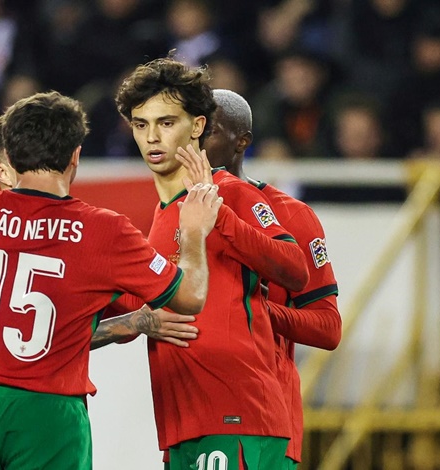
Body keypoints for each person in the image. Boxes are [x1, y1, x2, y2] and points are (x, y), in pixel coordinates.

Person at [0, 91, 223, 470]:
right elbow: (190, 297)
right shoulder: (103, 230)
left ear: (8, 155)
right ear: (75, 155)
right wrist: (192, 232)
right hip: (50, 416)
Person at [113, 58, 310, 470]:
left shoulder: (228, 193)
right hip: (184, 421)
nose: (152, 137)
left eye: (166, 123)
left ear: (198, 126)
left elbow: (294, 268)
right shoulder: (160, 217)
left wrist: (219, 217)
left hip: (236, 413)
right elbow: (130, 309)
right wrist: (131, 323)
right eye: (140, 124)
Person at [190, 88, 342, 469]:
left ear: (242, 141)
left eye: (209, 131)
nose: (195, 141)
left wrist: (249, 311)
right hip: (189, 409)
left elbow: (328, 327)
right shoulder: (175, 208)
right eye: (191, 129)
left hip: (262, 413)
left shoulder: (291, 215)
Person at [0, 112, 201, 348]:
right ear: (3, 171)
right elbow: (186, 296)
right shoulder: (96, 230)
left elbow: (53, 336)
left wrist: (134, 322)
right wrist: (195, 231)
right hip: (49, 383)